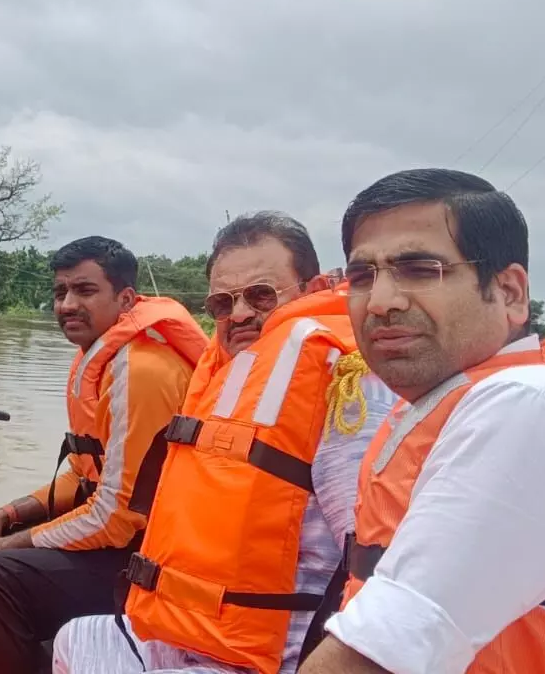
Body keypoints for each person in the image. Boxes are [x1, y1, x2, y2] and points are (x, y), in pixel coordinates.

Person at [299, 168, 545, 674]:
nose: (382, 301)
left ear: (510, 293)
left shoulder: (528, 407)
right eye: (363, 276)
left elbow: (375, 656)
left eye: (420, 269)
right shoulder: (445, 402)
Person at [51, 212, 400, 674]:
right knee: (75, 639)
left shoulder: (346, 388)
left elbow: (377, 566)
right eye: (221, 303)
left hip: (273, 655)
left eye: (260, 295)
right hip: (191, 632)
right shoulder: (226, 376)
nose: (238, 314)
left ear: (314, 289)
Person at [0, 236, 209, 674]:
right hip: (123, 538)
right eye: (60, 292)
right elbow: (84, 476)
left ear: (125, 298)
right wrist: (5, 516)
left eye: (84, 291)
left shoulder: (141, 372)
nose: (66, 304)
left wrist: (6, 544)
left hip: (151, 560)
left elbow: (117, 516)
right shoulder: (99, 355)